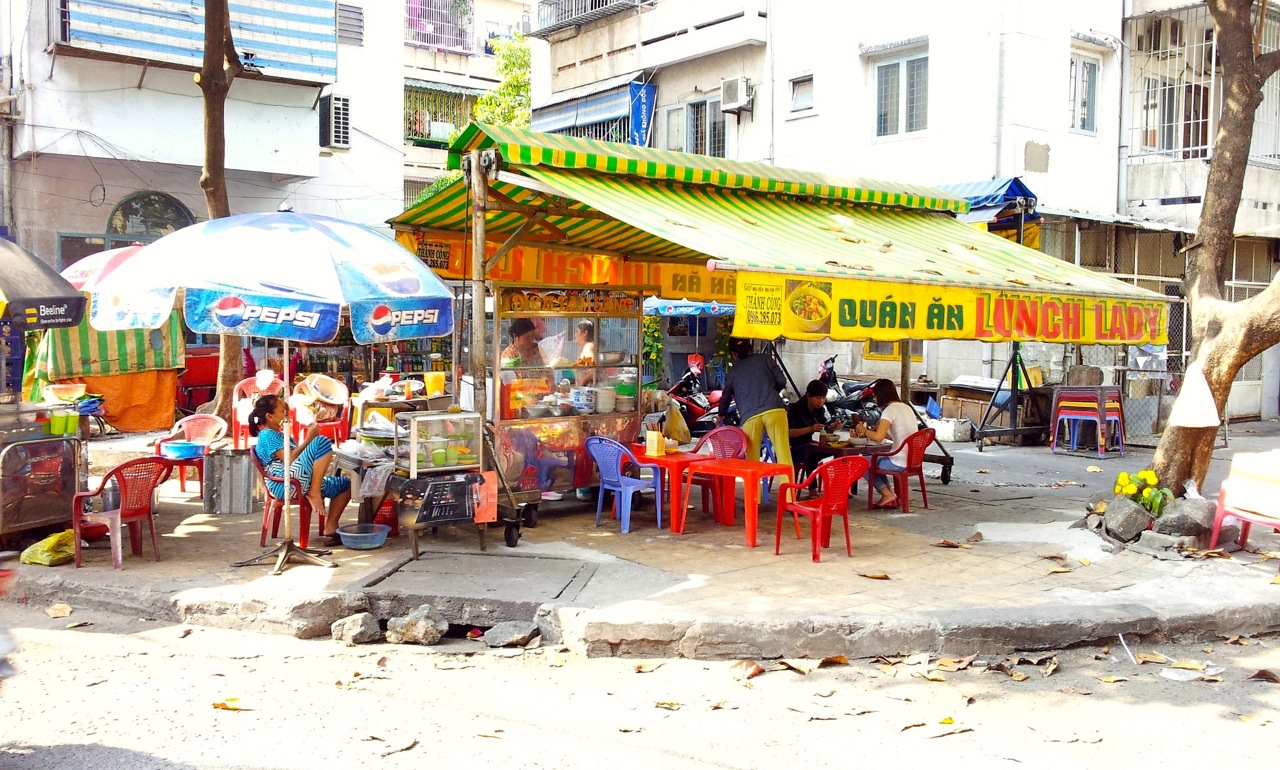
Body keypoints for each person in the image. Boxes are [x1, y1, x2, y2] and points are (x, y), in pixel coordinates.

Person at [249, 394, 352, 547]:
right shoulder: (267, 435)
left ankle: (331, 527)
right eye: (282, 411)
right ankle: (314, 491)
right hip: (284, 484)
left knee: (346, 485)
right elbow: (289, 458)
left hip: (297, 479)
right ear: (269, 416)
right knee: (321, 442)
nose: (286, 413)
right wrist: (309, 439)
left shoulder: (279, 433)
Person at [718, 338, 792, 473]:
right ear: (751, 347)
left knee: (752, 462)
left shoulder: (733, 371)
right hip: (775, 410)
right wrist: (771, 390)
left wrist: (720, 414)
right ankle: (788, 494)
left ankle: (753, 494)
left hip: (750, 416)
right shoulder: (765, 359)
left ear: (733, 354)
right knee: (784, 455)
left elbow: (726, 396)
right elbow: (781, 380)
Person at [855, 378, 918, 509]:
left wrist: (863, 430)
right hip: (911, 460)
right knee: (875, 459)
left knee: (863, 463)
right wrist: (880, 432)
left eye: (875, 395)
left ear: (881, 395)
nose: (874, 398)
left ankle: (885, 493)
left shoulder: (889, 411)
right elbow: (895, 435)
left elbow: (878, 438)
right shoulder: (906, 407)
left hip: (898, 462)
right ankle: (890, 493)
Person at [787, 379, 844, 479]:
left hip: (809, 446)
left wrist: (831, 429)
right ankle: (812, 489)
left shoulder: (819, 410)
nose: (821, 401)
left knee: (839, 452)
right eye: (818, 398)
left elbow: (824, 430)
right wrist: (810, 429)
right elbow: (788, 433)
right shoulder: (794, 409)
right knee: (812, 451)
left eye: (823, 398)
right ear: (808, 396)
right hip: (792, 448)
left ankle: (838, 484)